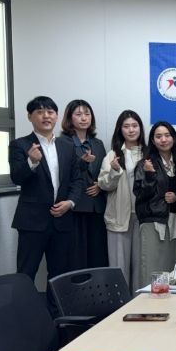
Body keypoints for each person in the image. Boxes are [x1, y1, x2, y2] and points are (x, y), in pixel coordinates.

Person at [9, 96, 82, 308]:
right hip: (32, 222)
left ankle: (56, 317)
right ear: (30, 117)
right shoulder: (19, 145)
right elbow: (16, 177)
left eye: (50, 112)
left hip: (62, 220)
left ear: (56, 116)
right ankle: (23, 316)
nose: (46, 116)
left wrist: (70, 202)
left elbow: (77, 180)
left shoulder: (67, 146)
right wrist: (31, 161)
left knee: (59, 274)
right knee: (26, 273)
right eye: (40, 112)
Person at [98, 110, 147, 292]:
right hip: (119, 217)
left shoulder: (149, 153)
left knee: (141, 266)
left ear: (140, 128)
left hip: (143, 217)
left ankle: (139, 303)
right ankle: (120, 303)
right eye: (126, 126)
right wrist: (115, 171)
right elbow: (104, 185)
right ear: (120, 129)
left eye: (134, 125)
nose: (131, 130)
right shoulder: (113, 155)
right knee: (119, 266)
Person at [59, 99, 108, 269]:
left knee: (98, 254)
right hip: (76, 206)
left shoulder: (98, 143)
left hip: (97, 206)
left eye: (87, 114)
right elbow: (63, 174)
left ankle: (99, 286)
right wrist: (83, 162)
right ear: (69, 118)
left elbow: (103, 171)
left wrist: (101, 185)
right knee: (76, 256)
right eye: (78, 114)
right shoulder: (61, 142)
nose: (84, 118)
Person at [134, 121, 176, 287]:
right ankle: (147, 302)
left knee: (174, 269)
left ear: (173, 138)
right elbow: (140, 194)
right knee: (152, 268)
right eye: (158, 136)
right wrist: (149, 175)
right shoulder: (145, 164)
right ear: (152, 141)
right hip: (153, 222)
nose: (163, 140)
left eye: (167, 135)